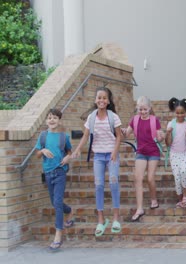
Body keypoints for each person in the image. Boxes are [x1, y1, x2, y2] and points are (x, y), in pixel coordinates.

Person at [71, 87, 122, 236]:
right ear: (95, 100)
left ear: (108, 101)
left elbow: (119, 136)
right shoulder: (91, 117)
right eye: (99, 97)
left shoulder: (113, 117)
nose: (101, 100)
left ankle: (116, 218)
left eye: (104, 98)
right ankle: (101, 220)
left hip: (111, 155)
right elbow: (85, 136)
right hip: (98, 156)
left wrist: (114, 152)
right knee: (99, 185)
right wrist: (78, 149)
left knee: (113, 182)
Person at [35, 108, 74, 251]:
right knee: (54, 202)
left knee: (57, 202)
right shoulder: (43, 136)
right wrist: (43, 151)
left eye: (55, 118)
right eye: (50, 117)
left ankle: (58, 234)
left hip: (60, 173)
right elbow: (38, 155)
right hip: (48, 173)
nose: (52, 120)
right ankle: (69, 210)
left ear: (59, 121)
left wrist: (68, 157)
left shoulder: (64, 137)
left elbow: (69, 151)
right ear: (46, 120)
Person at [122, 96, 164, 221]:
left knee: (150, 178)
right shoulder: (134, 120)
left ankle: (153, 199)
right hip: (140, 152)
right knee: (138, 178)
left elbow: (159, 136)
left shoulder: (154, 120)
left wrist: (161, 136)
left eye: (145, 109)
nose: (143, 112)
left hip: (153, 152)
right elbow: (127, 134)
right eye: (140, 109)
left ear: (150, 109)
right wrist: (122, 130)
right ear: (137, 109)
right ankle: (139, 208)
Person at [166, 97, 186, 208]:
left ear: (185, 112)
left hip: (185, 153)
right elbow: (168, 144)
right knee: (177, 177)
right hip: (174, 154)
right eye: (177, 113)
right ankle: (180, 198)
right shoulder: (171, 124)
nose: (180, 115)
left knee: (184, 171)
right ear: (174, 112)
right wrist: (168, 133)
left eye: (182, 113)